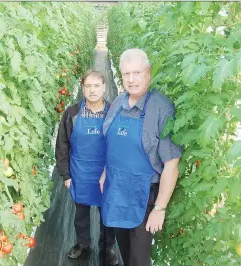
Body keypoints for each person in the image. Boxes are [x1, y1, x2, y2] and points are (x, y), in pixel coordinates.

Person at [100, 49, 182, 266]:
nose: (131, 79)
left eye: (136, 73)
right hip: (116, 191)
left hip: (143, 197)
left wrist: (160, 208)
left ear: (149, 73)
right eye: (126, 74)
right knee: (125, 250)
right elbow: (111, 145)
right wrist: (105, 173)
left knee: (139, 259)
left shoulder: (160, 108)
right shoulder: (118, 102)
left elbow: (172, 164)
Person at [55, 70, 119, 265]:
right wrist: (66, 175)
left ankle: (107, 246)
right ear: (82, 88)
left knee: (107, 212)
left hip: (105, 173)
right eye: (88, 86)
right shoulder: (72, 113)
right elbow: (62, 145)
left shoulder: (113, 113)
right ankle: (83, 244)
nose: (92, 90)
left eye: (96, 86)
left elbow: (119, 146)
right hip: (80, 172)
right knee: (81, 211)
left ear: (104, 87)